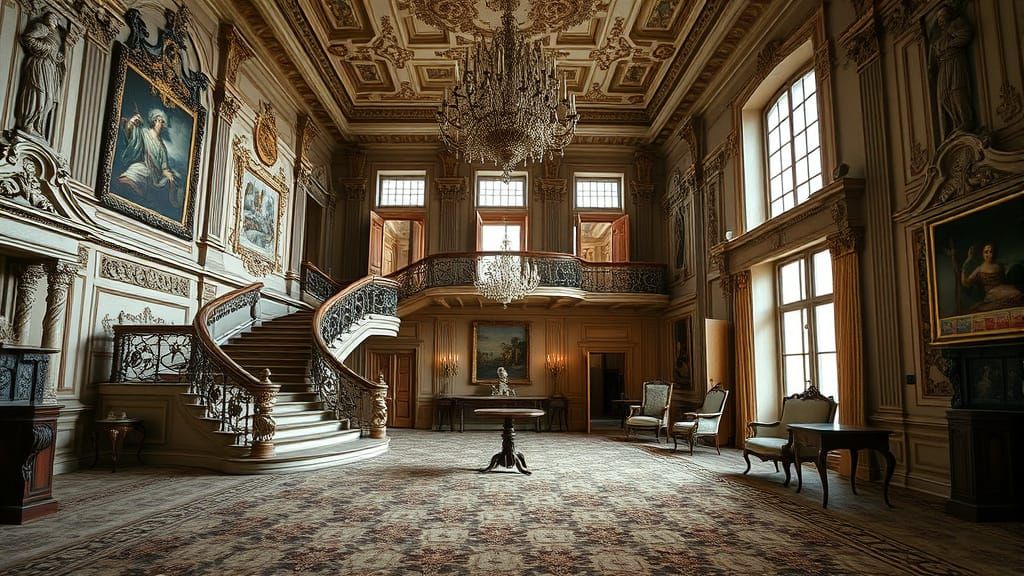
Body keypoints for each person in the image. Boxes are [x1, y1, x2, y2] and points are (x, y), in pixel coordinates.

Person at [116, 108, 182, 213]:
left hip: (155, 174)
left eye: (162, 122)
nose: (161, 124)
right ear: (154, 121)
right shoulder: (144, 133)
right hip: (144, 166)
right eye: (159, 120)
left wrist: (168, 174)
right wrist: (132, 123)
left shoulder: (162, 147)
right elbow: (133, 138)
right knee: (134, 171)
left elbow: (164, 167)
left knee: (170, 180)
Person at [15, 11, 65, 135]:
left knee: (49, 100)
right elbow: (27, 38)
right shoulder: (42, 28)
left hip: (51, 68)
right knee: (39, 94)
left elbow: (54, 49)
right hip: (40, 64)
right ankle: (28, 122)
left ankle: (38, 125)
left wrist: (57, 56)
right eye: (50, 18)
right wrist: (46, 49)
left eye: (54, 19)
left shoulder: (57, 34)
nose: (52, 21)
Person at [930, 5, 974, 135]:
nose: (940, 21)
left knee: (957, 89)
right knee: (944, 95)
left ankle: (966, 121)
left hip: (955, 60)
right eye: (938, 19)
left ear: (949, 15)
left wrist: (949, 45)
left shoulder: (956, 24)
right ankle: (956, 122)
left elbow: (966, 35)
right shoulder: (940, 36)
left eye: (942, 17)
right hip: (944, 64)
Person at [960, 243, 1024, 312]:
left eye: (991, 252)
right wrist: (966, 264)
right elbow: (966, 283)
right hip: (991, 293)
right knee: (1016, 294)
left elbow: (1004, 278)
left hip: (1002, 288)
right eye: (986, 252)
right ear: (982, 254)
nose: (989, 254)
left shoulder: (998, 265)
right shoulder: (980, 269)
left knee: (1019, 291)